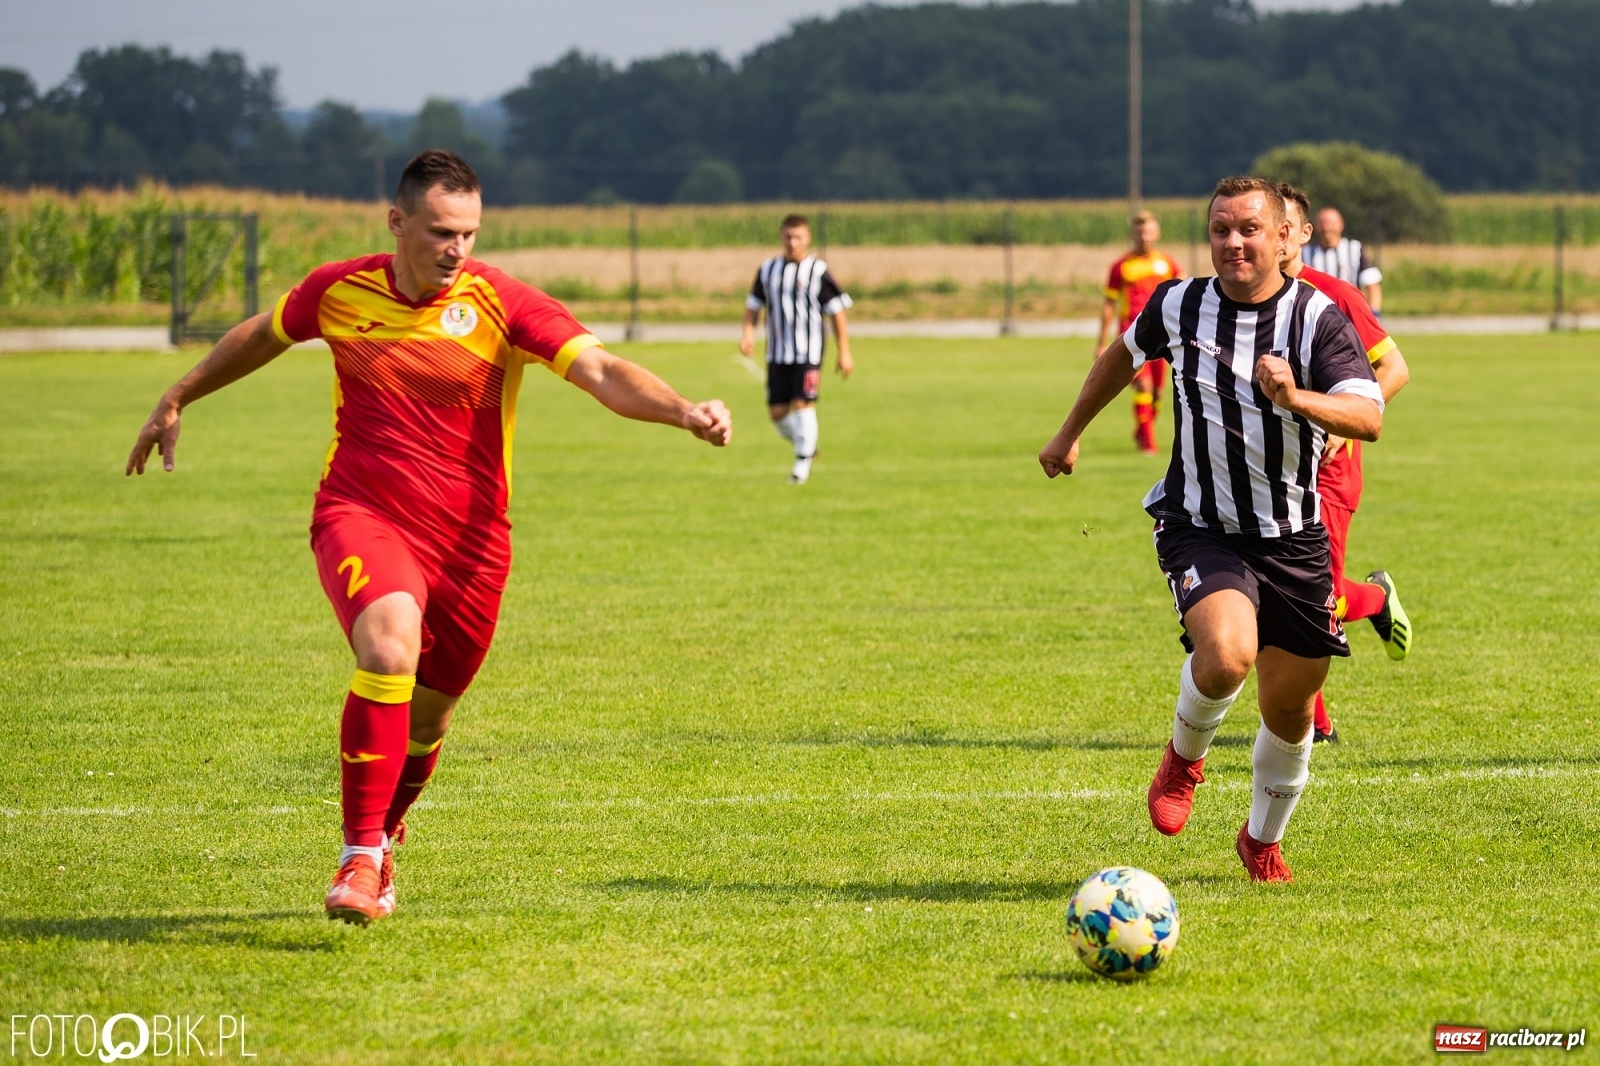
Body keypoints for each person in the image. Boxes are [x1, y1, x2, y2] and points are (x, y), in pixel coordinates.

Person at [125, 150, 732, 925]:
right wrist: (177, 395)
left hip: (472, 546)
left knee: (430, 719)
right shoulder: (339, 291)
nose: (458, 250)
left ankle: (381, 832)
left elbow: (602, 372)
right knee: (387, 647)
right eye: (443, 232)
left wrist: (683, 410)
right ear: (399, 222)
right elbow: (266, 333)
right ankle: (360, 858)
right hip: (362, 511)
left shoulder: (501, 303)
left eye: (471, 233)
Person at [1038, 176, 1385, 882]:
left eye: (1248, 229)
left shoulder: (1317, 318)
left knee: (1289, 708)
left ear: (1281, 236)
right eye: (1221, 229)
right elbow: (1122, 357)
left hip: (1293, 537)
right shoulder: (1179, 302)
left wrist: (1295, 397)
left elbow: (1369, 415)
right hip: (1201, 524)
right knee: (1228, 653)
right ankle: (1183, 759)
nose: (1233, 242)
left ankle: (1261, 841)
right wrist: (1069, 432)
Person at [1279, 183, 1413, 744]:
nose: (1274, 236)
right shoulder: (1241, 296)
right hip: (1271, 467)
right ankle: (1375, 601)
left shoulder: (1335, 295)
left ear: (1304, 234)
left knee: (1316, 597)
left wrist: (1340, 418)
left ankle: (1320, 722)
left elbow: (1396, 370)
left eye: (1285, 227)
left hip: (1330, 472)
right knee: (1284, 593)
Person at [740, 214, 854, 484]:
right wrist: (747, 333)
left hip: (808, 353)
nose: (793, 243)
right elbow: (753, 305)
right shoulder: (768, 270)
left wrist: (844, 351)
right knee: (777, 414)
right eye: (788, 236)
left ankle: (800, 468)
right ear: (781, 236)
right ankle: (807, 445)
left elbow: (837, 312)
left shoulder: (818, 271)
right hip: (777, 353)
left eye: (798, 237)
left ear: (808, 238)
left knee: (803, 404)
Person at [1097, 211, 1184, 455]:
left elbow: (1183, 293)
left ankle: (1142, 428)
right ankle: (1148, 441)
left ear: (1157, 233)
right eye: (1139, 231)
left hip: (1163, 335)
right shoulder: (1121, 266)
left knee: (1158, 392)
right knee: (1143, 386)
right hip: (1132, 335)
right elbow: (1108, 304)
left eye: (1148, 231)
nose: (1144, 236)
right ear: (1132, 234)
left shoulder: (1167, 263)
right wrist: (1102, 342)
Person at [1304, 206, 1383, 314]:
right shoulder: (1305, 252)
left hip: (1349, 315)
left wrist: (1374, 314)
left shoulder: (1354, 249)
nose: (1326, 228)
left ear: (1341, 224)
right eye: (1322, 222)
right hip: (1316, 316)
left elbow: (1373, 285)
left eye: (1330, 223)